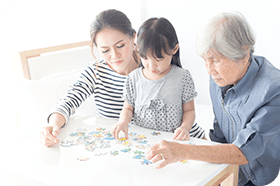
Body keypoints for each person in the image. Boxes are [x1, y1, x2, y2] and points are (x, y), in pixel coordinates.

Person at [146, 11, 280, 186]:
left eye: (215, 60)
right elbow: (220, 133)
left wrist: (183, 151)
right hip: (231, 170)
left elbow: (242, 152)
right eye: (205, 60)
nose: (209, 70)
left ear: (244, 54)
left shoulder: (274, 90)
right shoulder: (218, 78)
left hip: (263, 179)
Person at [39, 9, 140, 147]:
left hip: (144, 144)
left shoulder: (153, 66)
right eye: (105, 50)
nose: (115, 56)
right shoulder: (95, 70)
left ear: (133, 37)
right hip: (109, 146)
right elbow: (68, 101)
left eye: (120, 46)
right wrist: (53, 126)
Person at [110, 17, 205, 140]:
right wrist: (123, 122)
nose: (151, 65)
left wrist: (185, 128)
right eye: (145, 57)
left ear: (174, 49)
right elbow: (128, 108)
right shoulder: (133, 78)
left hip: (173, 141)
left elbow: (189, 111)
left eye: (158, 59)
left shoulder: (182, 77)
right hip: (143, 140)